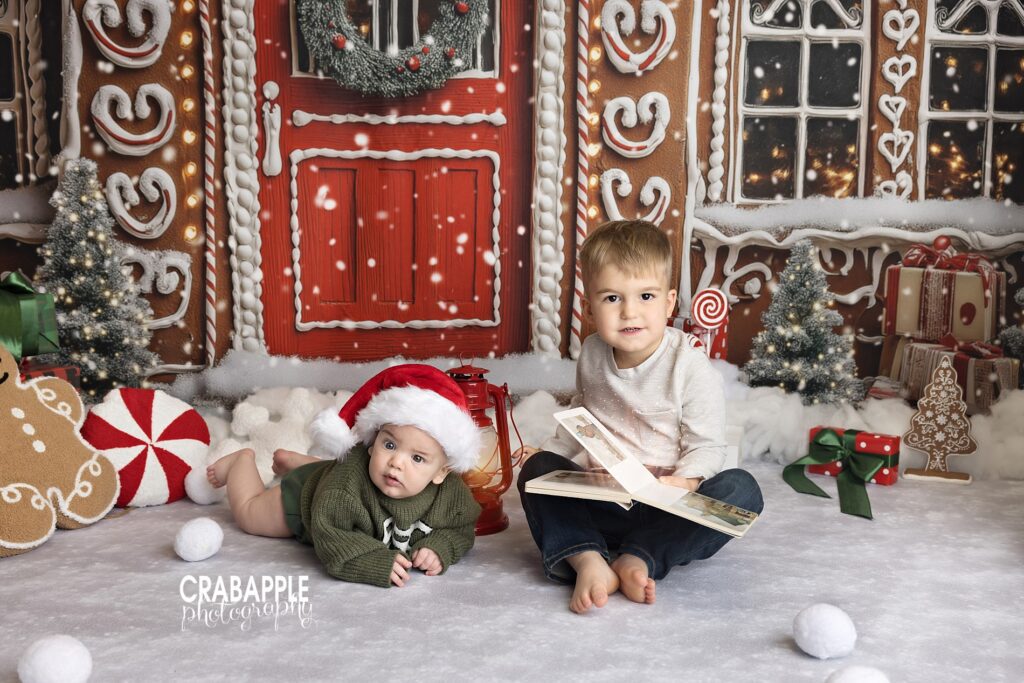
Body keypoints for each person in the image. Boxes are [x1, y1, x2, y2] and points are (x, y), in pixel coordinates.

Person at [516, 219, 764, 614]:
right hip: (604, 498)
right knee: (536, 471)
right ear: (590, 307)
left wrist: (686, 480)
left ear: (668, 303)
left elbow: (707, 445)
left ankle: (642, 555)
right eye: (612, 299)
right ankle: (587, 557)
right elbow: (584, 417)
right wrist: (546, 453)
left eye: (645, 296)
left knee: (742, 491)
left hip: (666, 507)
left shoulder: (690, 367)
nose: (630, 312)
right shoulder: (594, 353)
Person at [207, 364, 482, 588]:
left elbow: (461, 527)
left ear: (441, 473)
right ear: (372, 441)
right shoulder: (343, 490)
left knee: (340, 469)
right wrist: (373, 559)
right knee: (251, 514)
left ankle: (302, 463)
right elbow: (330, 534)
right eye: (389, 445)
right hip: (309, 500)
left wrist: (439, 547)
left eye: (417, 458)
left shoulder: (450, 494)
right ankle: (240, 463)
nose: (396, 462)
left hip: (335, 475)